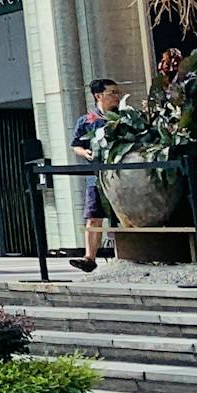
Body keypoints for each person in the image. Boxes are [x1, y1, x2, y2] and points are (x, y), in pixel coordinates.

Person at [69, 77, 122, 272]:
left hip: (122, 176)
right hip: (97, 175)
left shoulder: (125, 117)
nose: (117, 97)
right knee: (93, 215)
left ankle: (126, 255)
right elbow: (76, 145)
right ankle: (89, 257)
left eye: (117, 92)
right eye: (112, 93)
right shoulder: (86, 121)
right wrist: (85, 153)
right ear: (98, 96)